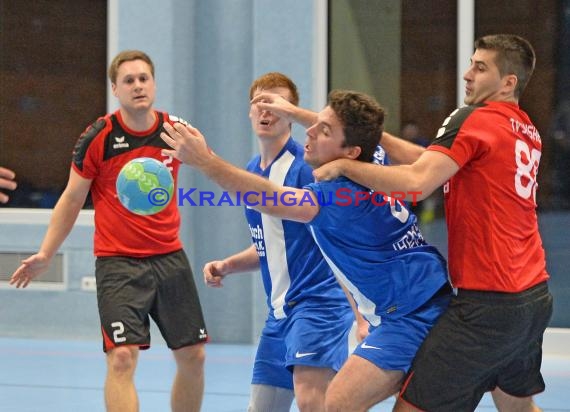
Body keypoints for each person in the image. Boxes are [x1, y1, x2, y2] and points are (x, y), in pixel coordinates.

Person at [160, 89, 452, 411]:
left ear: (350, 152)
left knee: (337, 402)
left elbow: (267, 196)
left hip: (410, 315)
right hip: (424, 300)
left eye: (324, 130)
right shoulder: (373, 160)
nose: (309, 131)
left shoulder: (336, 196)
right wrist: (294, 112)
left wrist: (204, 160)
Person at [308, 34, 553, 411]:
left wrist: (343, 165)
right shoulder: (525, 130)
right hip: (533, 295)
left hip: (488, 302)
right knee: (517, 406)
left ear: (509, 82)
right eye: (471, 63)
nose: (467, 74)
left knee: (412, 405)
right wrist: (370, 136)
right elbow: (433, 161)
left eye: (480, 67)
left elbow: (418, 181)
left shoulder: (472, 118)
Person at [9, 50, 208, 412]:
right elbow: (71, 199)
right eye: (129, 81)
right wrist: (46, 252)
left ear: (154, 84)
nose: (137, 86)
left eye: (144, 78)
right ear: (115, 89)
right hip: (118, 263)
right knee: (121, 358)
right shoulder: (98, 137)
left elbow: (211, 166)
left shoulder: (177, 132)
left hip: (169, 258)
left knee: (193, 355)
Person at [203, 72, 356, 412]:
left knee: (311, 401)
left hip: (318, 305)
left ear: (291, 113)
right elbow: (274, 246)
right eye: (260, 102)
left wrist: (357, 310)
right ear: (249, 111)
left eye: (276, 103)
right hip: (280, 313)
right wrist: (229, 264)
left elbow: (338, 239)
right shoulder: (252, 171)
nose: (266, 110)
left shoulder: (307, 168)